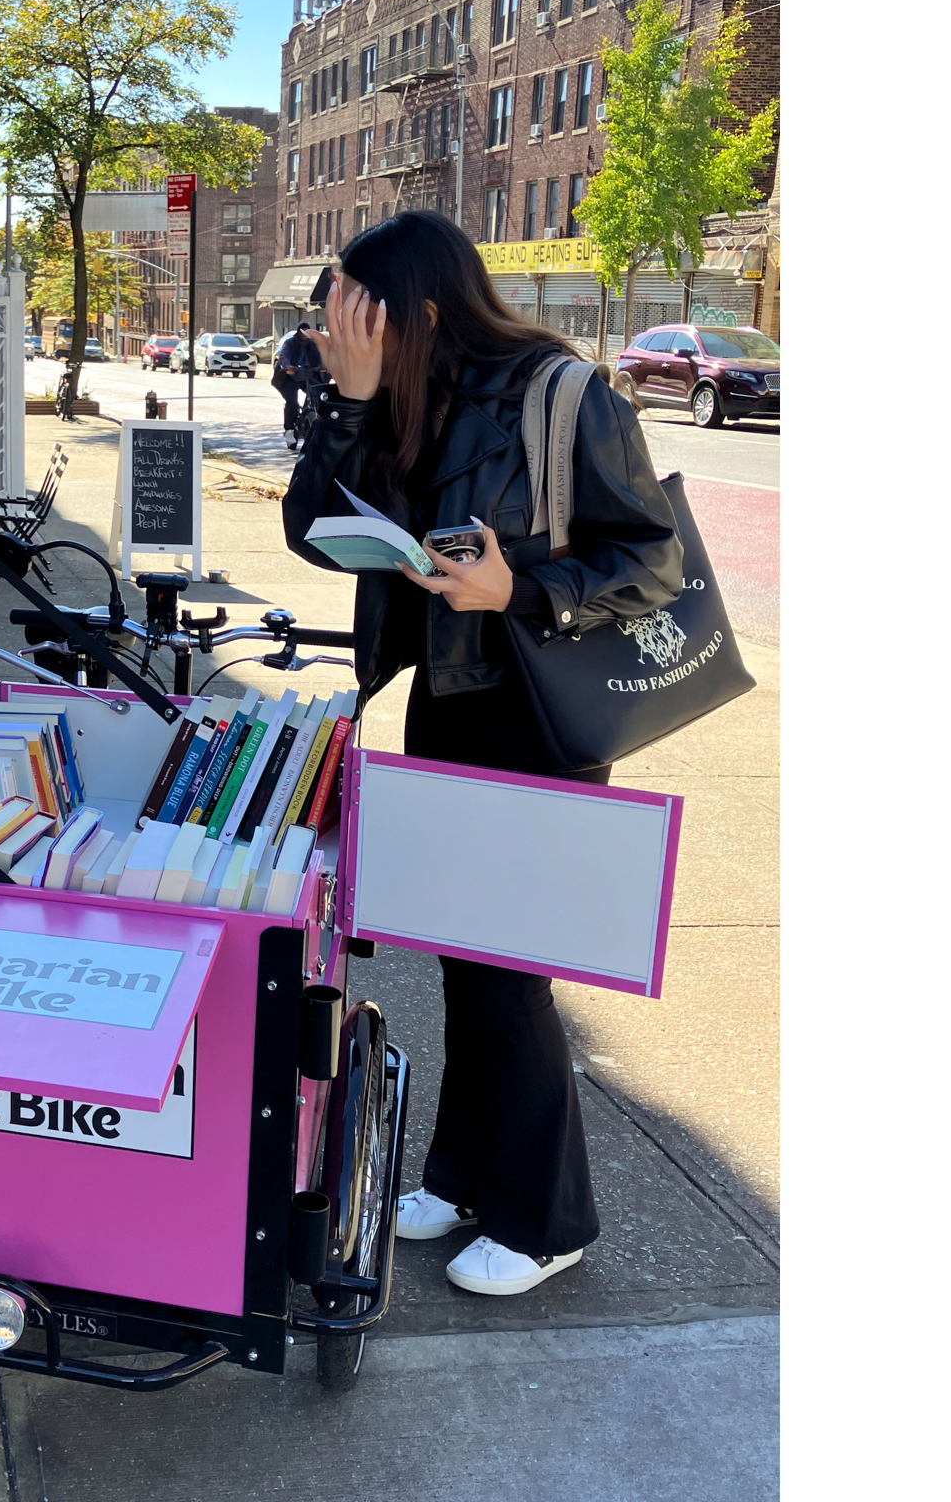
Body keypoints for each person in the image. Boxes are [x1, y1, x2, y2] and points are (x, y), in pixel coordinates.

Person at [282, 211, 681, 1298]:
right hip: (448, 704)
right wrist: (351, 401)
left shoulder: (564, 395)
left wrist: (525, 590)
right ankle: (465, 1175)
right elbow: (312, 528)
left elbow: (652, 558)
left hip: (535, 716)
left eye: (355, 317)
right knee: (462, 954)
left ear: (413, 310)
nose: (335, 332)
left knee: (511, 976)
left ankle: (549, 1218)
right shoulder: (408, 393)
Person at [272, 320, 322, 447]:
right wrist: (287, 367)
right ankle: (289, 430)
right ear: (299, 333)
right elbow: (284, 356)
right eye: (303, 333)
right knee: (292, 403)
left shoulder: (312, 345)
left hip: (308, 376)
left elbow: (319, 358)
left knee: (318, 395)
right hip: (292, 377)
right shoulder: (290, 343)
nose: (305, 336)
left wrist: (322, 367)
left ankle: (312, 418)